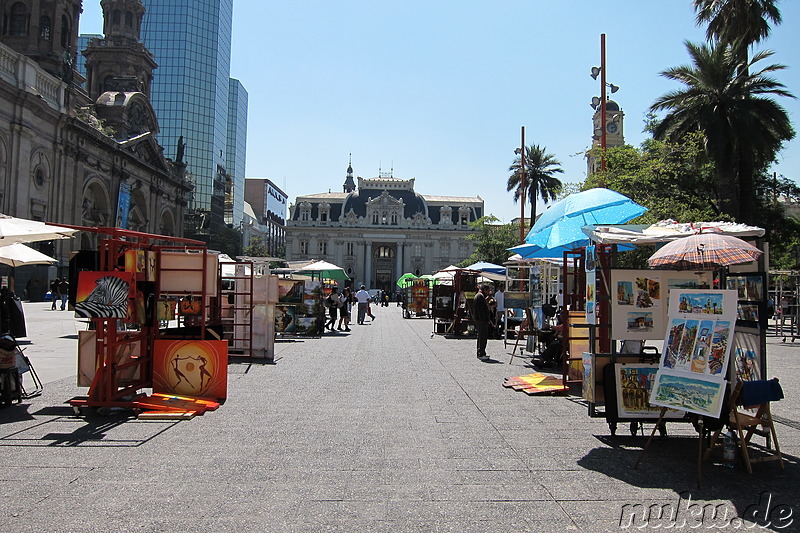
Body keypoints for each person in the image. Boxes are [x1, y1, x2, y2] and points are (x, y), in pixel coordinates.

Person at [473, 284, 491, 361]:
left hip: (480, 320)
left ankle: (481, 352)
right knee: (482, 337)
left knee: (481, 337)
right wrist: (484, 320)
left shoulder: (479, 296)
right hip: (482, 320)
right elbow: (481, 310)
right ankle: (481, 353)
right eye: (488, 291)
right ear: (484, 290)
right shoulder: (480, 296)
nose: (488, 292)